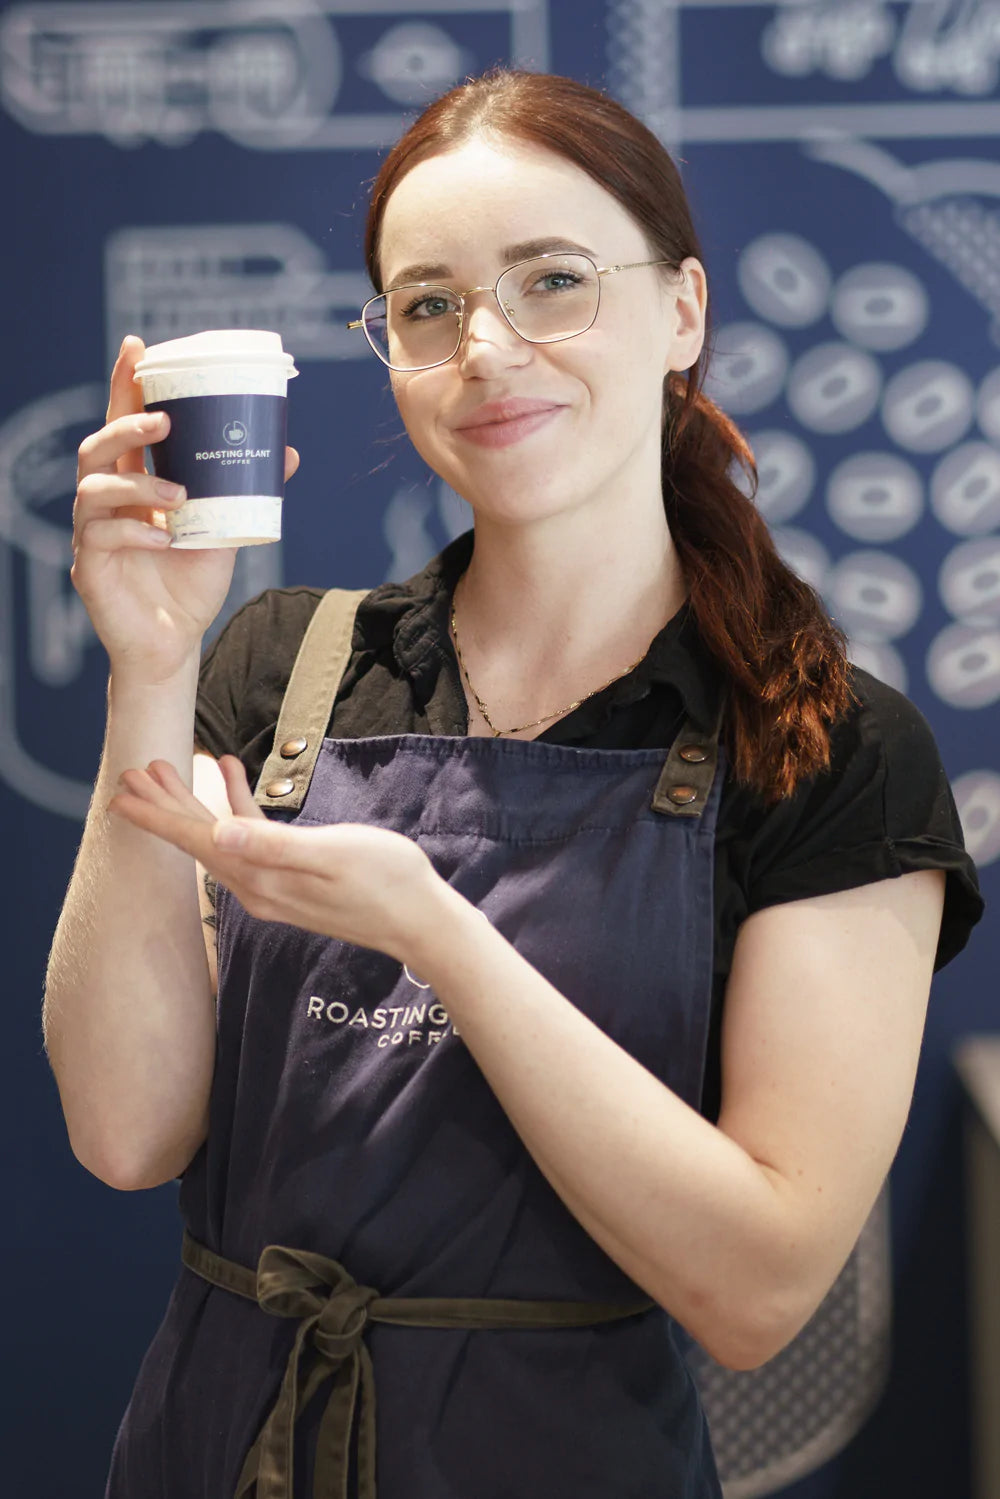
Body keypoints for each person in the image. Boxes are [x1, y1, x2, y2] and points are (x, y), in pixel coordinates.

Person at [46, 67, 983, 1499]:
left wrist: (439, 936)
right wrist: (148, 667)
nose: (487, 348)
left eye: (553, 281)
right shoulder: (282, 669)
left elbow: (757, 1291)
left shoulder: (827, 749)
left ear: (683, 310)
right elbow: (124, 1131)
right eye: (429, 306)